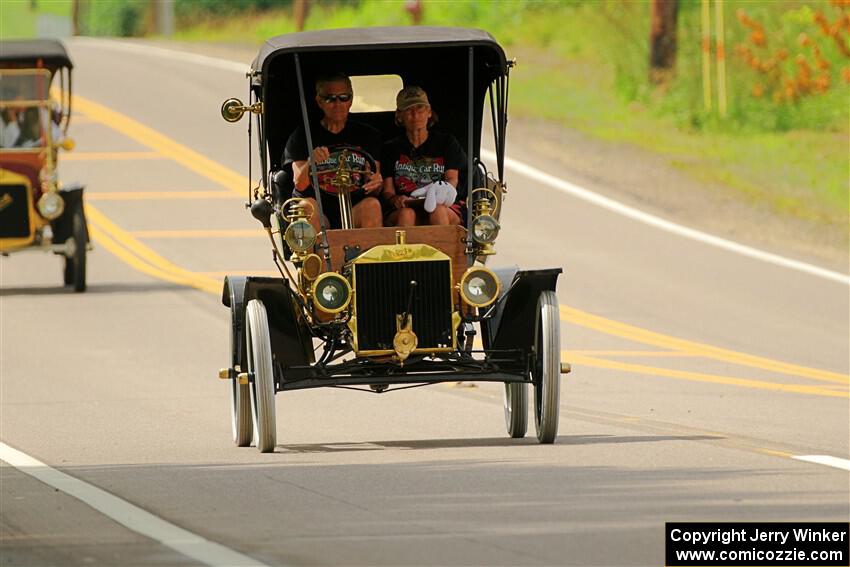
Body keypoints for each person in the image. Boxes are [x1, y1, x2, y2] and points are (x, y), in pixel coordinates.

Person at [284, 72, 383, 231]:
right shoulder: (303, 135)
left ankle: (369, 255)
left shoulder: (367, 135)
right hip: (319, 207)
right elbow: (300, 184)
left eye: (343, 97)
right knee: (306, 207)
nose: (338, 104)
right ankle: (316, 256)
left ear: (351, 100)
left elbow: (374, 182)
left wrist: (376, 182)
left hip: (354, 204)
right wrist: (311, 162)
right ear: (319, 101)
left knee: (372, 206)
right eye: (330, 98)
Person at [381, 86, 466, 227]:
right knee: (406, 215)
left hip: (441, 203)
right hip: (406, 206)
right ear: (399, 116)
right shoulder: (391, 148)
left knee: (437, 211)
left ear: (429, 112)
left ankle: (442, 248)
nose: (415, 115)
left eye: (420, 108)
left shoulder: (447, 143)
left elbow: (452, 180)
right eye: (408, 109)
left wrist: (438, 195)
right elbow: (388, 190)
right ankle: (404, 250)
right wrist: (395, 199)